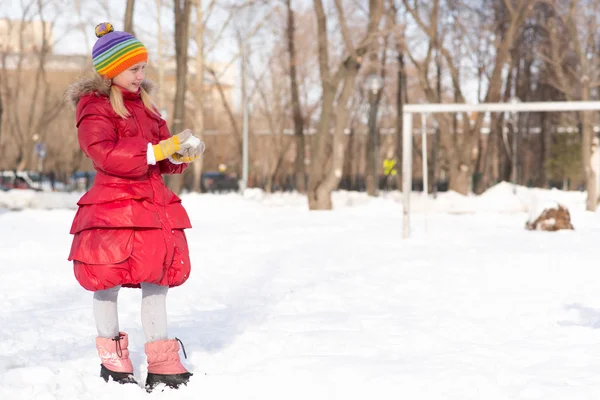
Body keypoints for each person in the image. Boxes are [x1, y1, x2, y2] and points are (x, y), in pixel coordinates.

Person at [65, 22, 204, 391]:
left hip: (151, 205)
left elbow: (163, 162)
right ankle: (114, 361)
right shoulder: (93, 107)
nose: (141, 76)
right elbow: (103, 153)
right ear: (111, 70)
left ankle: (163, 362)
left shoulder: (147, 107)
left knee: (157, 280)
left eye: (143, 68)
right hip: (111, 209)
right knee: (104, 282)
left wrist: (180, 153)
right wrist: (154, 151)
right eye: (133, 69)